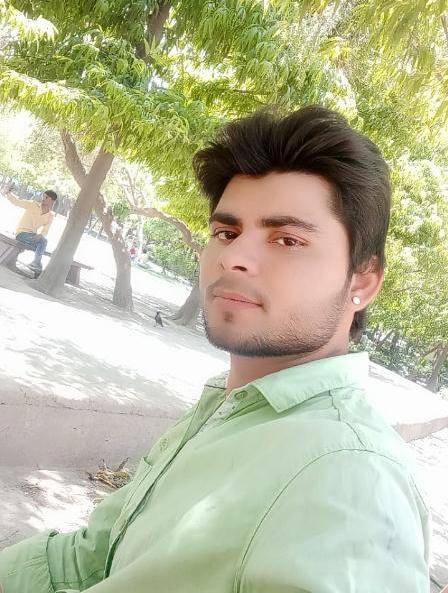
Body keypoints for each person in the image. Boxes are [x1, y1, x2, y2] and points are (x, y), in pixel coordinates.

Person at [0, 107, 430, 592]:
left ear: (363, 282)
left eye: (287, 240)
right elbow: (92, 559)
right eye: (227, 233)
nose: (234, 257)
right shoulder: (229, 407)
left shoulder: (349, 480)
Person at [1, 185, 58, 271]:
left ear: (52, 201)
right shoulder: (33, 205)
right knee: (43, 244)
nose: (43, 198)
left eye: (46, 197)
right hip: (22, 233)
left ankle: (36, 264)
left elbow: (46, 229)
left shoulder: (50, 216)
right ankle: (36, 263)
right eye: (43, 196)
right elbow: (17, 202)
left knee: (42, 244)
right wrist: (8, 193)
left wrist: (41, 235)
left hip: (33, 236)